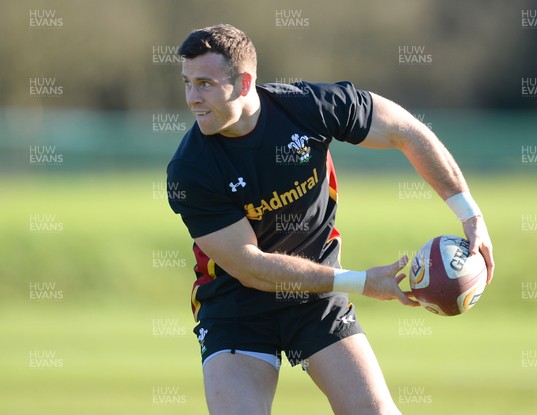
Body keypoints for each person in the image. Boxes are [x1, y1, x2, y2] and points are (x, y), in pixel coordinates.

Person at [167, 24, 494, 415]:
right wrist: (361, 282)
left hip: (316, 300)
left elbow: (406, 131)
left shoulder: (309, 107)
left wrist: (470, 213)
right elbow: (251, 267)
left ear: (243, 83)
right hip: (236, 306)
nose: (192, 98)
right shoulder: (191, 169)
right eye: (187, 83)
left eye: (205, 83)